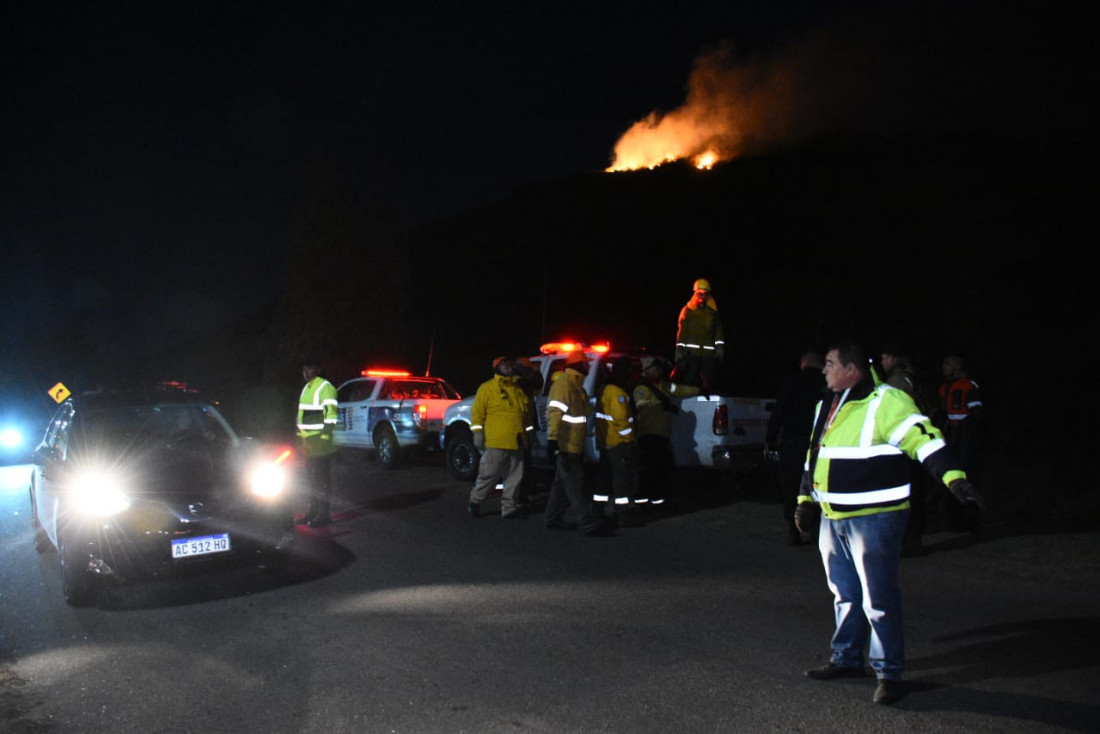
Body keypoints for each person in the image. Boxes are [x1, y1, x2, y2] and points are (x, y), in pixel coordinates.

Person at [794, 342, 986, 706]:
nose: (824, 369)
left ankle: (888, 673)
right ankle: (847, 659)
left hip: (875, 519)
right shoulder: (825, 405)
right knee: (844, 595)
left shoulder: (886, 401)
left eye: (831, 364)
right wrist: (805, 502)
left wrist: (953, 476)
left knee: (878, 599)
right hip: (833, 519)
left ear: (852, 369)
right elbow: (813, 457)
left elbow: (922, 437)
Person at [764, 349, 824, 546]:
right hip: (819, 443)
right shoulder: (827, 382)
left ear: (804, 362)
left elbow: (780, 410)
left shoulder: (793, 381)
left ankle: (794, 531)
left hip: (793, 442)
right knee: (819, 486)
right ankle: (817, 531)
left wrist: (770, 438)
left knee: (792, 486)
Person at [544, 349, 605, 536]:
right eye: (585, 363)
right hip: (565, 445)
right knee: (574, 484)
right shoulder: (565, 385)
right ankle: (585, 522)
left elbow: (583, 413)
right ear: (578, 365)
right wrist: (553, 440)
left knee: (561, 484)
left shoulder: (577, 386)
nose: (588, 366)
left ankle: (552, 519)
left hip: (574, 444)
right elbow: (555, 413)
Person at [467, 357, 535, 520]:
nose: (509, 367)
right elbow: (477, 413)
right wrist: (478, 433)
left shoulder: (517, 389)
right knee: (488, 475)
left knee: (514, 477)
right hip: (496, 441)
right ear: (496, 368)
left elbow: (525, 416)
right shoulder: (487, 388)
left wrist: (528, 434)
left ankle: (509, 508)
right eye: (505, 365)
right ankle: (475, 501)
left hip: (517, 439)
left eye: (510, 364)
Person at [880, 345, 930, 556]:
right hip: (913, 445)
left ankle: (908, 542)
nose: (881, 362)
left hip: (904, 447)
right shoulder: (910, 379)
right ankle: (912, 540)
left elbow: (895, 417)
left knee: (905, 496)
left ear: (893, 358)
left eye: (884, 357)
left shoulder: (898, 383)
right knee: (913, 494)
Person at [937, 354, 985, 532]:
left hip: (965, 437)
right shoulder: (944, 388)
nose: (944, 366)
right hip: (950, 436)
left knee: (967, 476)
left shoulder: (968, 386)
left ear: (958, 365)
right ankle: (954, 520)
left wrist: (967, 432)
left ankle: (972, 521)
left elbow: (976, 414)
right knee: (951, 476)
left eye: (948, 363)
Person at [593, 358, 641, 527]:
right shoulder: (618, 393)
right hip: (618, 444)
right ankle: (622, 515)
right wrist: (629, 439)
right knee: (621, 481)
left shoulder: (603, 389)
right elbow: (621, 419)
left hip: (605, 441)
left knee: (604, 478)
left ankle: (598, 512)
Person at [295, 357, 339, 528]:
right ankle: (312, 511)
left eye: (310, 369)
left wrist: (325, 437)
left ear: (318, 370)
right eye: (304, 369)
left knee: (321, 480)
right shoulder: (307, 387)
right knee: (311, 480)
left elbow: (331, 415)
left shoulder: (325, 387)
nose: (306, 372)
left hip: (320, 443)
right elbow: (303, 415)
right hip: (308, 443)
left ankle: (324, 514)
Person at [633, 357, 678, 511]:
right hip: (649, 435)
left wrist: (699, 390)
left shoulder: (661, 386)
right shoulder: (641, 389)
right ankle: (642, 503)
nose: (660, 371)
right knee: (648, 470)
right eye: (657, 368)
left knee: (658, 470)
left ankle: (656, 501)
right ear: (649, 370)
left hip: (661, 435)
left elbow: (679, 389)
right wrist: (664, 407)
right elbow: (643, 409)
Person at [674, 278, 725, 392]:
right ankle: (688, 406)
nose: (702, 297)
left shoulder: (713, 312)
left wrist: (720, 348)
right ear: (695, 293)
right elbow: (682, 332)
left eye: (705, 294)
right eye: (700, 293)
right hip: (691, 355)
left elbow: (718, 332)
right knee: (689, 383)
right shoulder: (688, 311)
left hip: (708, 356)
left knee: (709, 383)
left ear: (708, 295)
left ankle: (708, 406)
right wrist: (679, 350)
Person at [512, 356, 544, 508]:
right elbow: (535, 383)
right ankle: (517, 498)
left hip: (525, 427)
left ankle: (522, 495)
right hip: (516, 431)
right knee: (518, 466)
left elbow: (538, 385)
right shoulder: (517, 381)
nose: (529, 371)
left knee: (525, 465)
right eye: (527, 368)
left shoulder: (524, 381)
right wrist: (536, 372)